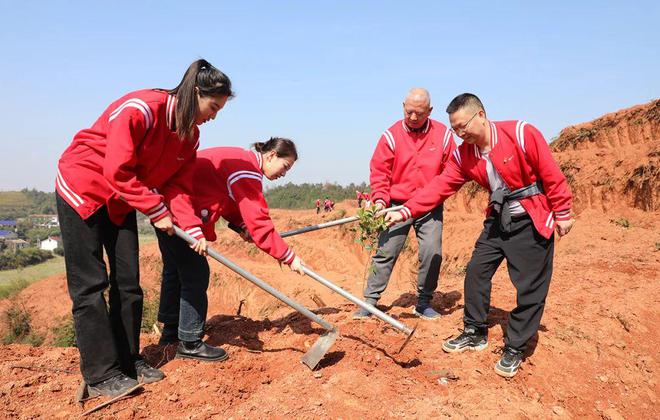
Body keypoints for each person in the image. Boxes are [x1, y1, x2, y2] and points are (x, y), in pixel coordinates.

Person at [55, 59, 233, 397]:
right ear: (195, 93)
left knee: (129, 282)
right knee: (91, 285)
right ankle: (100, 375)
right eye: (213, 106)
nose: (214, 116)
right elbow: (118, 170)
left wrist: (191, 228)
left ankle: (128, 359)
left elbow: (178, 188)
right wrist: (155, 209)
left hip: (121, 201)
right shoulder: (140, 109)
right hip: (83, 188)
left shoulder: (189, 136)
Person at [385, 93, 574, 377]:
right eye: (455, 129)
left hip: (530, 217)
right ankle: (475, 331)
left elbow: (551, 173)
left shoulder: (521, 133)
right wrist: (406, 211)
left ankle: (516, 347)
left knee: (530, 286)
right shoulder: (464, 154)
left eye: (464, 126)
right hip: (498, 219)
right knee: (476, 271)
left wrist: (563, 211)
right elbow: (440, 186)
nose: (460, 134)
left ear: (482, 116)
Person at [157, 137, 306, 359]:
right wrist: (289, 257)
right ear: (271, 155)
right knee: (195, 274)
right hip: (179, 209)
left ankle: (171, 334)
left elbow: (223, 198)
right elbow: (261, 224)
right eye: (285, 166)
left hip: (165, 204)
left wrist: (241, 225)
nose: (284, 173)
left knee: (176, 271)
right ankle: (189, 342)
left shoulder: (243, 162)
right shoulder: (247, 170)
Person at [353, 88, 456, 320]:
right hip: (396, 205)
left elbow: (451, 172)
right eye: (409, 111)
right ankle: (370, 301)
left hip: (429, 205)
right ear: (402, 106)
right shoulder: (390, 136)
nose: (413, 117)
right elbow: (380, 172)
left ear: (429, 111)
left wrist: (435, 196)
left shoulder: (444, 135)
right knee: (386, 251)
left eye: (419, 113)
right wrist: (380, 200)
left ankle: (423, 302)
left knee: (432, 251)